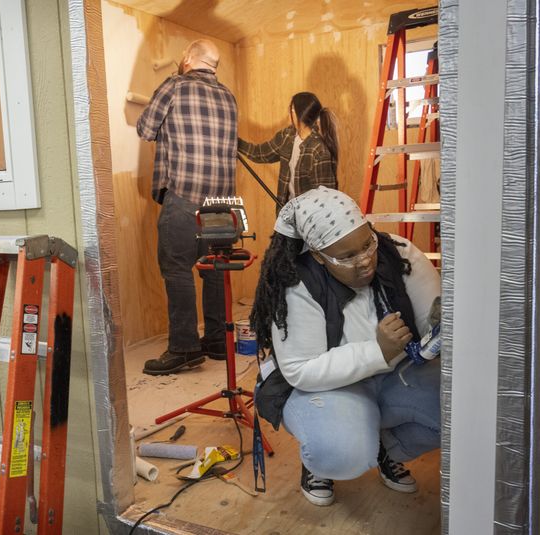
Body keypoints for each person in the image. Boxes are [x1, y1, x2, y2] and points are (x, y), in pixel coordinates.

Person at [250, 186, 441, 506]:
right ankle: (318, 460)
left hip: (392, 376)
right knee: (342, 449)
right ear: (318, 256)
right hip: (323, 387)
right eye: (348, 256)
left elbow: (432, 324)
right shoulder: (299, 283)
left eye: (368, 244)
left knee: (461, 409)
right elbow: (300, 370)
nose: (365, 260)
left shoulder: (400, 255)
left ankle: (385, 448)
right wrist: (378, 351)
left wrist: (442, 327)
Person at [136, 39, 238, 375]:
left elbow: (145, 129)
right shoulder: (228, 96)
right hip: (223, 203)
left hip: (185, 197)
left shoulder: (175, 85)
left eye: (183, 56)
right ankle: (216, 342)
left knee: (178, 269)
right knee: (212, 269)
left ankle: (184, 349)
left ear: (190, 59)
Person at [238, 92, 338, 207]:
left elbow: (325, 199)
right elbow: (260, 153)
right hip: (286, 216)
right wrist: (235, 142)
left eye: (292, 109)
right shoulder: (287, 136)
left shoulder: (319, 150)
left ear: (299, 114)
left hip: (308, 220)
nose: (289, 113)